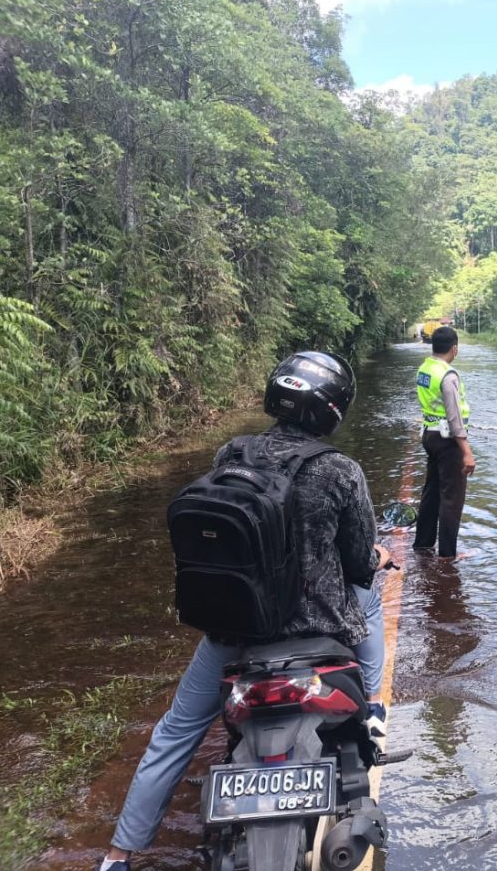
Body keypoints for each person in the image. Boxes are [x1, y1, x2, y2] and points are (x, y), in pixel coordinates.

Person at [96, 351, 393, 871]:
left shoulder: (231, 453)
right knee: (368, 594)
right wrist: (376, 557)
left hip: (235, 635)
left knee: (175, 732)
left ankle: (118, 855)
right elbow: (358, 561)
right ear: (332, 411)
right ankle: (370, 710)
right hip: (317, 634)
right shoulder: (341, 471)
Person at [414, 326, 475, 558]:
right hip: (448, 440)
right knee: (452, 499)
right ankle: (448, 555)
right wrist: (467, 452)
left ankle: (423, 543)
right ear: (454, 349)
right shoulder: (447, 375)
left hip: (429, 436)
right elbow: (454, 416)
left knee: (432, 493)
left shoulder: (425, 368)